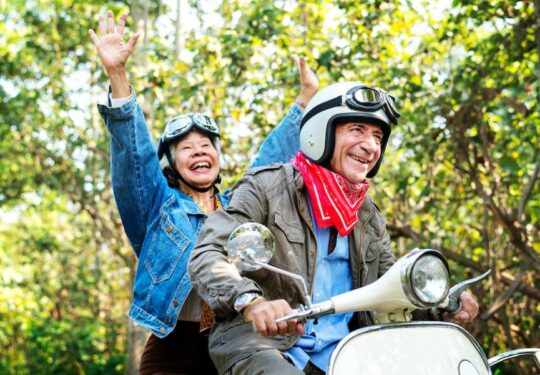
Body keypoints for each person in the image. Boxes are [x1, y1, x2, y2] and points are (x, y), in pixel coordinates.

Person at [188, 82, 479, 374]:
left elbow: (394, 287)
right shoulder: (265, 187)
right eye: (357, 130)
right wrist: (251, 301)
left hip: (345, 353)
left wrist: (442, 305)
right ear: (320, 132)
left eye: (378, 136)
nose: (371, 146)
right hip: (265, 346)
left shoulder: (368, 216)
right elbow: (208, 253)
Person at [89, 10, 319, 375]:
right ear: (173, 163)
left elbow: (269, 160)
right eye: (186, 147)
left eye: (206, 144)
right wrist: (117, 76)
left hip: (237, 336)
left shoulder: (236, 207)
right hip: (173, 343)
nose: (198, 150)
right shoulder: (158, 206)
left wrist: (305, 101)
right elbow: (135, 156)